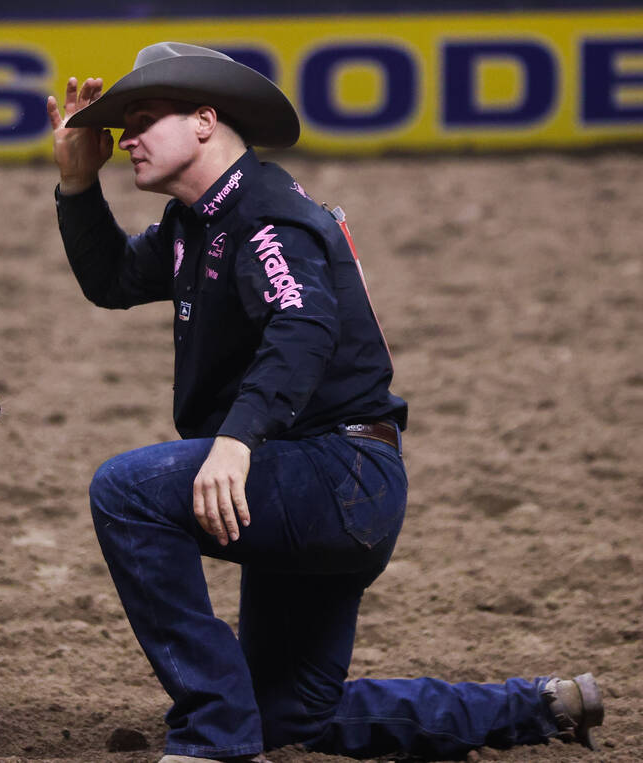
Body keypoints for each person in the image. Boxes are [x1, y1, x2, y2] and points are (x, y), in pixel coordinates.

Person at [46, 41, 603, 762]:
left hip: (336, 474)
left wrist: (236, 440)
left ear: (207, 121)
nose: (126, 139)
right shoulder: (203, 221)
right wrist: (75, 184)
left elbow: (303, 327)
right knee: (288, 712)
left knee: (126, 490)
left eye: (146, 118)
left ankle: (211, 736)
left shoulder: (265, 213)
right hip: (335, 482)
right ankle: (539, 705)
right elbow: (113, 279)